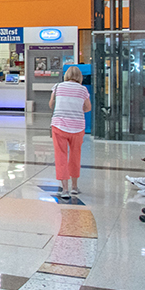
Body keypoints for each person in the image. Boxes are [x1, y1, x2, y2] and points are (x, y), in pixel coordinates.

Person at [49, 66, 92, 199]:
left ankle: (65, 189)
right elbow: (88, 107)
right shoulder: (83, 90)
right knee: (75, 155)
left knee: (60, 156)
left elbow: (51, 104)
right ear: (80, 77)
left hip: (59, 126)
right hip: (77, 127)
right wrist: (77, 111)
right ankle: (74, 187)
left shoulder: (57, 87)